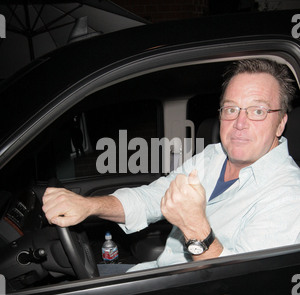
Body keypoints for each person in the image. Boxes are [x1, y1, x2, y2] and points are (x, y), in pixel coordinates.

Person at [42, 58, 300, 273]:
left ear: (281, 123)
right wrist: (88, 206)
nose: (239, 122)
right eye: (231, 109)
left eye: (257, 111)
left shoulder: (289, 196)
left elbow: (246, 289)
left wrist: (194, 227)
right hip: (156, 272)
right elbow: (153, 197)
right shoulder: (214, 157)